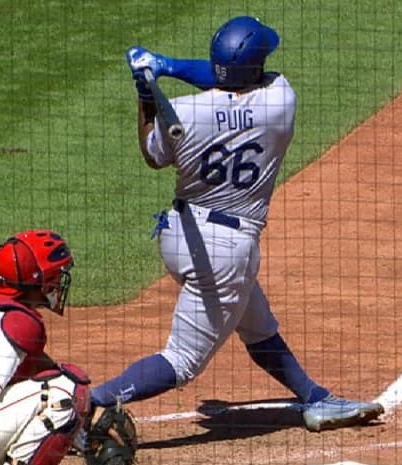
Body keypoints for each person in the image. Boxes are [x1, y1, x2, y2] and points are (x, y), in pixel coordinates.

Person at [86, 16, 384, 441]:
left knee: (256, 322)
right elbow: (229, 79)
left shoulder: (185, 114)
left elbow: (153, 154)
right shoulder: (279, 103)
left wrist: (147, 92)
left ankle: (314, 397)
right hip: (228, 247)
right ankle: (86, 404)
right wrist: (167, 68)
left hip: (180, 234)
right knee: (183, 360)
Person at [0, 230, 91, 465]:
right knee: (67, 391)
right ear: (34, 279)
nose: (58, 282)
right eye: (54, 275)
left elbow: (40, 367)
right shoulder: (16, 323)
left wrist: (87, 435)